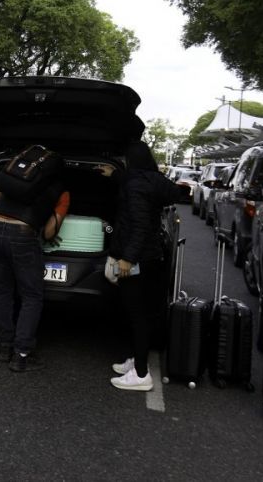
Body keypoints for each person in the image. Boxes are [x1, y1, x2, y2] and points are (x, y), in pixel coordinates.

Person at [98, 141, 181, 392]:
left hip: (139, 259)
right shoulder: (149, 180)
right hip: (150, 257)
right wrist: (116, 176)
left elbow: (140, 224)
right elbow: (152, 191)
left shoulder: (135, 186)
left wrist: (128, 258)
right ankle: (135, 361)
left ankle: (142, 374)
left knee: (137, 316)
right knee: (135, 312)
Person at [0, 156, 70, 373]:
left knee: (1, 291)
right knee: (31, 295)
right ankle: (21, 355)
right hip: (22, 234)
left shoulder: (20, 178)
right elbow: (50, 232)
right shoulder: (62, 192)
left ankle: (5, 347)